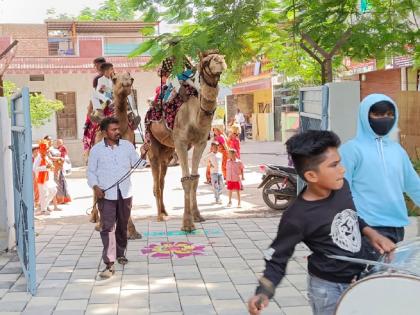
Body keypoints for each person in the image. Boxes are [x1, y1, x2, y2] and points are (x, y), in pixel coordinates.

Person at [247, 130, 395, 315]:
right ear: (312, 176)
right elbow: (277, 259)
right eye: (334, 165)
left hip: (359, 278)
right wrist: (263, 293)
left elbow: (352, 217)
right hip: (327, 289)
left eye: (339, 162)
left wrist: (371, 233)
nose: (342, 169)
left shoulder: (342, 187)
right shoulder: (297, 217)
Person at [340, 94, 420, 243]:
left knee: (391, 267)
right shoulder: (351, 150)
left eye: (390, 114)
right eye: (377, 114)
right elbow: (341, 190)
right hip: (367, 227)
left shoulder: (397, 150)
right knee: (371, 267)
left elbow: (413, 184)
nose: (385, 118)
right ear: (365, 115)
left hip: (396, 225)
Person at [87, 117, 148, 279]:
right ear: (104, 132)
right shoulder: (96, 150)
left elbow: (139, 165)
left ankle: (120, 253)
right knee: (107, 228)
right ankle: (109, 263)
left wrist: (143, 154)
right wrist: (95, 187)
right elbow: (91, 172)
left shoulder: (127, 146)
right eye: (113, 130)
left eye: (118, 129)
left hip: (125, 193)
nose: (117, 132)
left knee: (122, 226)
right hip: (106, 194)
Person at [83, 57, 106, 157]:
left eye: (97, 65)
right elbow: (96, 92)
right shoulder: (97, 79)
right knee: (90, 118)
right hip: (100, 101)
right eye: (95, 66)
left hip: (112, 100)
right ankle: (90, 144)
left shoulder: (113, 76)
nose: (96, 68)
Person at [33, 140, 57, 216]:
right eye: (46, 149)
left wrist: (51, 166)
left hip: (48, 178)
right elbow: (34, 168)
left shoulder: (46, 156)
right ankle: (43, 210)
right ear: (42, 149)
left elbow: (49, 165)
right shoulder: (39, 157)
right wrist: (45, 167)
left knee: (54, 190)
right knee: (43, 194)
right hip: (41, 179)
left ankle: (43, 206)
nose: (47, 150)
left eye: (47, 149)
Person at [51, 139, 71, 204]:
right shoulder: (56, 148)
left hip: (60, 166)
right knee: (59, 183)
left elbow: (63, 157)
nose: (58, 143)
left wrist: (57, 159)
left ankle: (63, 199)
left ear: (62, 143)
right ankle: (60, 199)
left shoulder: (63, 148)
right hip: (57, 167)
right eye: (57, 142)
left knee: (61, 183)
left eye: (59, 142)